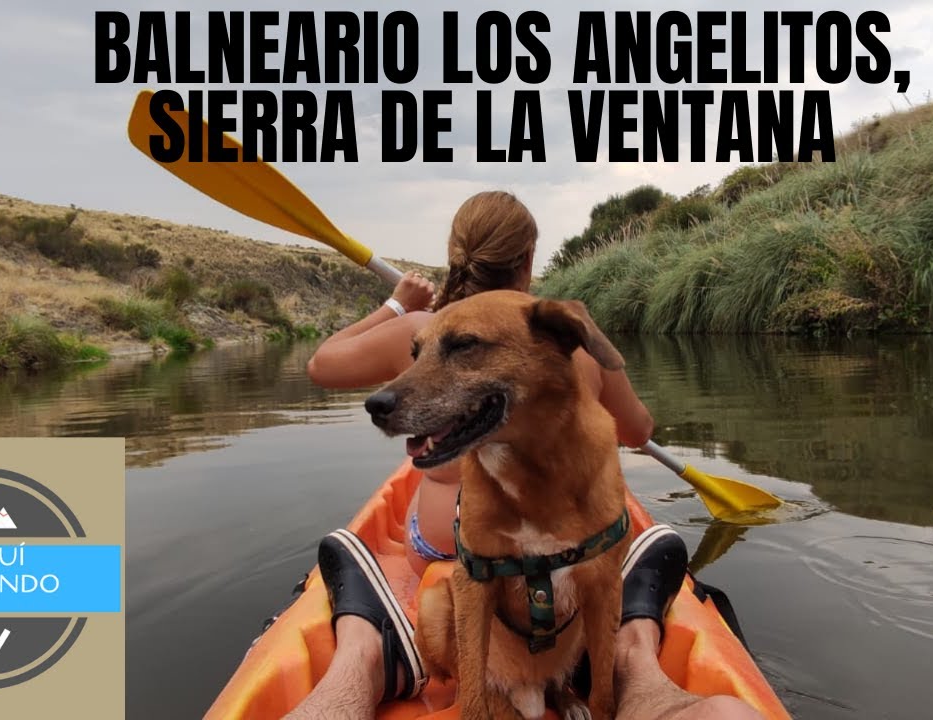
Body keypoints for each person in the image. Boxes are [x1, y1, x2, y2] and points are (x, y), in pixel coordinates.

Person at [288, 192, 764, 720]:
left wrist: (397, 305)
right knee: (628, 547)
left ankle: (371, 649)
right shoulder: (563, 338)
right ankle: (633, 651)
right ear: (529, 260)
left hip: (437, 546)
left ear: (454, 253)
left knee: (452, 572)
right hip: (547, 545)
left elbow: (320, 365)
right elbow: (638, 430)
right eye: (423, 354)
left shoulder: (420, 326)